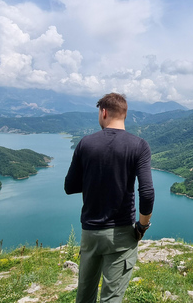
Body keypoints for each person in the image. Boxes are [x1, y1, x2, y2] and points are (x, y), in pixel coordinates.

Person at [64, 93, 155, 303]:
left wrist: (95, 181)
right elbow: (147, 192)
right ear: (124, 115)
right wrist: (142, 227)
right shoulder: (139, 145)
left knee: (84, 296)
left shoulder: (85, 144)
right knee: (111, 298)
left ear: (103, 112)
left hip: (90, 233)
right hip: (122, 234)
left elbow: (69, 187)